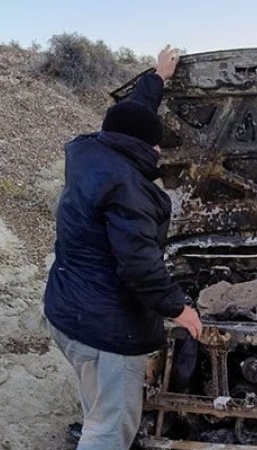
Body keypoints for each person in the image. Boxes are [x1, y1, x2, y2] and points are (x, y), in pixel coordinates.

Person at [43, 45, 202, 450]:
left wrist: (157, 78)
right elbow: (139, 267)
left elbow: (129, 120)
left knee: (97, 407)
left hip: (69, 313)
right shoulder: (129, 189)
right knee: (110, 430)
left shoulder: (91, 157)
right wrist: (180, 309)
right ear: (145, 147)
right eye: (158, 144)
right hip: (109, 331)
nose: (162, 151)